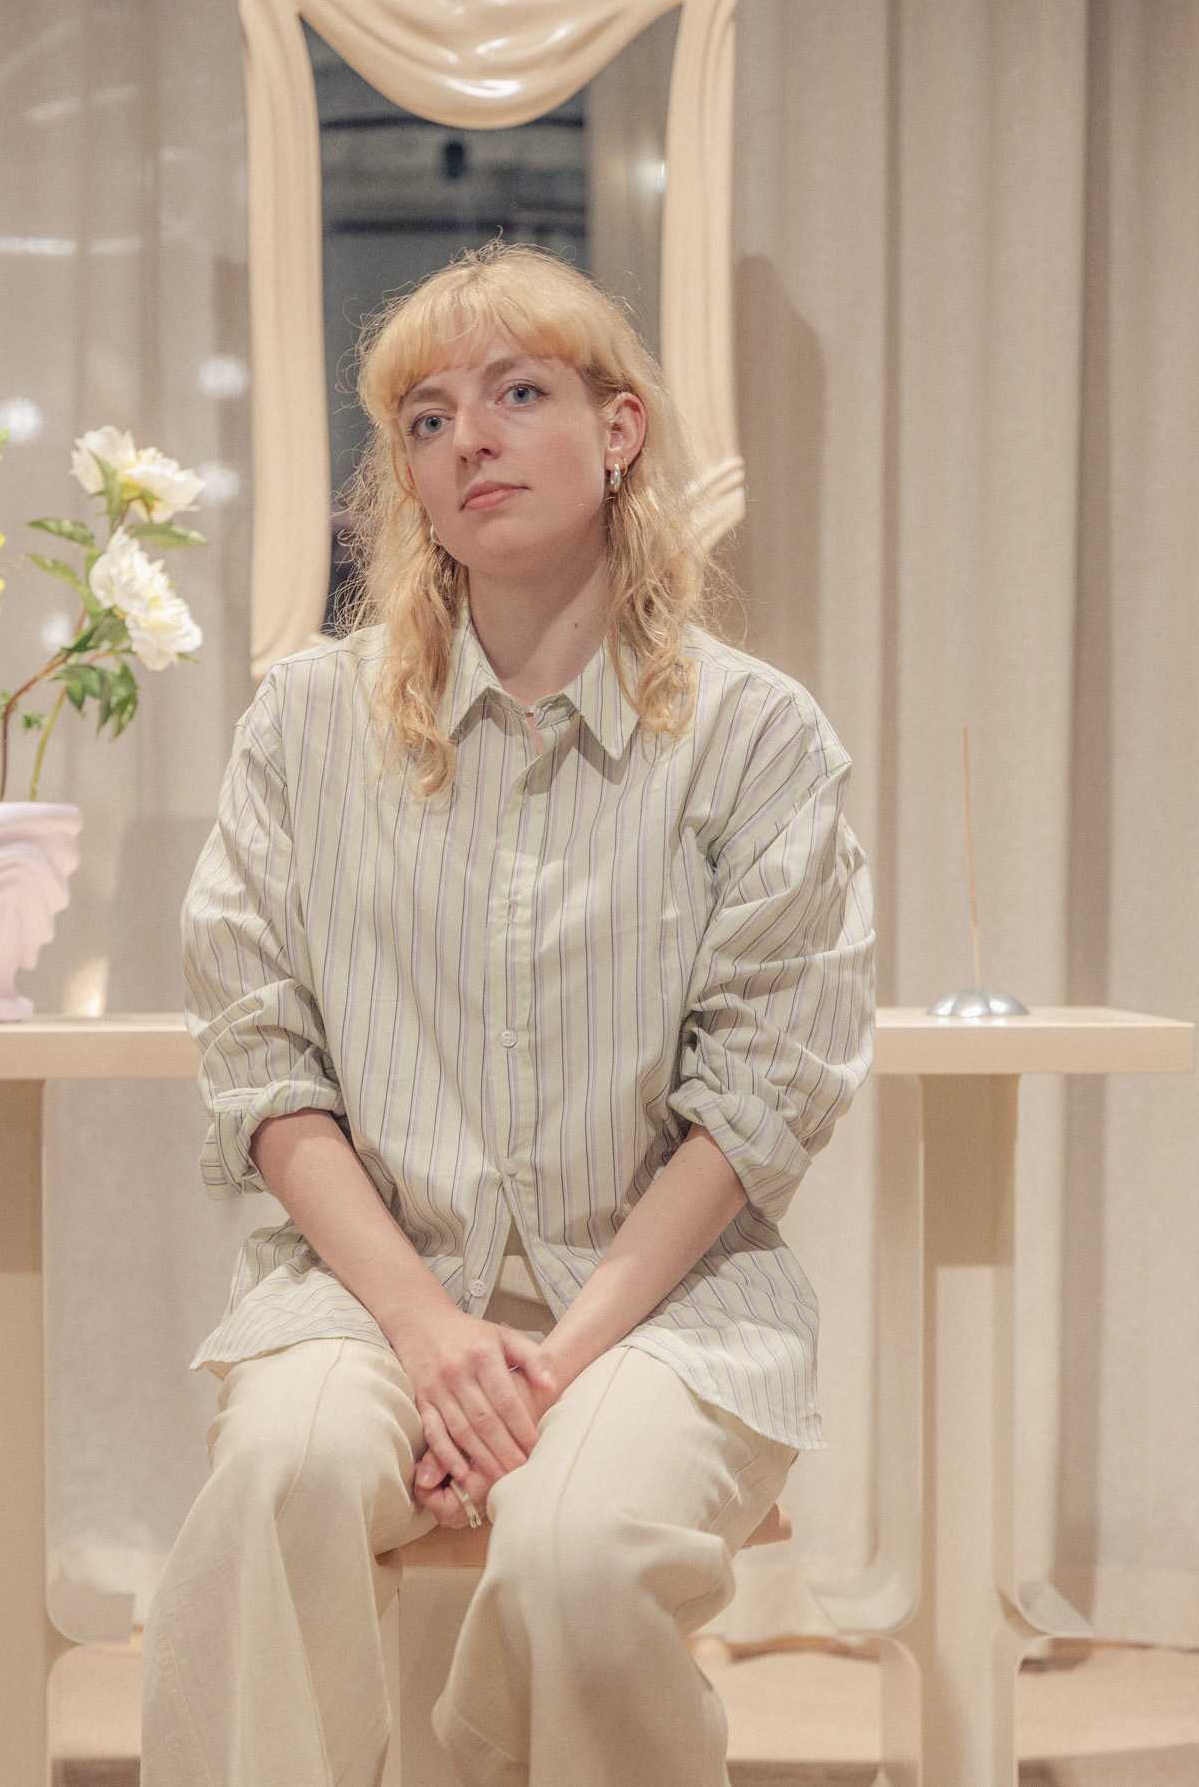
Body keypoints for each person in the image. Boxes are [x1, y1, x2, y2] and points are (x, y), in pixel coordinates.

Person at [143, 241, 876, 1787]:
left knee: (575, 1562)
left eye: (519, 394)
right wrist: (430, 1330)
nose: (467, 437)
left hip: (665, 1309)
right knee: (277, 1479)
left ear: (620, 431)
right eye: (426, 418)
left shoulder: (756, 738)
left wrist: (537, 1367)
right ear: (408, 477)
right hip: (369, 1295)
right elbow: (265, 1067)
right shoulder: (305, 728)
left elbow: (755, 1103)